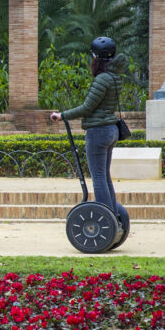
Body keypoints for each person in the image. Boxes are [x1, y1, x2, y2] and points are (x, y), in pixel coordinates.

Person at [50, 36, 125, 212]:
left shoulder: (102, 79)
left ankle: (105, 215)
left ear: (96, 57)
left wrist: (62, 115)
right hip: (111, 130)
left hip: (99, 131)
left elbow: (87, 107)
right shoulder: (115, 77)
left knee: (98, 177)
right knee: (104, 176)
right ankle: (112, 213)